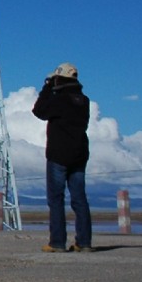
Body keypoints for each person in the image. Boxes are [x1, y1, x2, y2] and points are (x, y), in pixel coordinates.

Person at [32, 62, 92, 253]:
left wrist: (47, 88)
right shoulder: (84, 101)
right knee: (79, 199)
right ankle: (84, 242)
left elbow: (39, 111)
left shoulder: (59, 100)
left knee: (56, 200)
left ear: (59, 78)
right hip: (80, 154)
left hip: (58, 155)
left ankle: (57, 242)